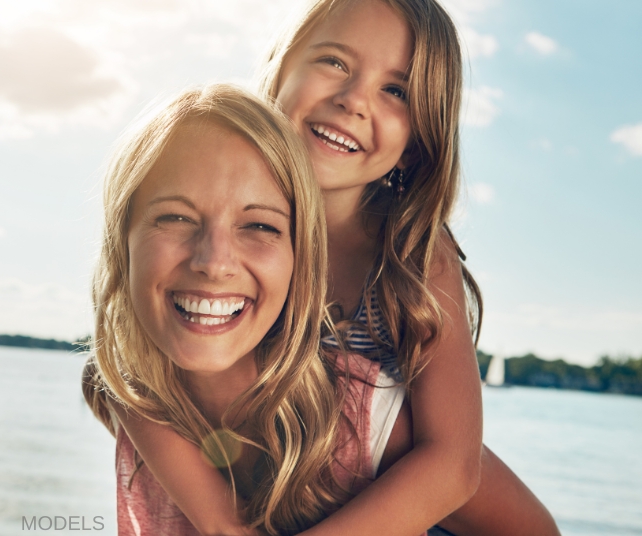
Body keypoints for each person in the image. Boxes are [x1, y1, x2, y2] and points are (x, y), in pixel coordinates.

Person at [89, 0, 560, 534]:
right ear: (279, 71)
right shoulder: (216, 227)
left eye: (396, 90)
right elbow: (127, 363)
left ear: (414, 144)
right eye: (335, 62)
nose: (353, 100)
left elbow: (451, 467)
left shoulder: (412, 256)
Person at [83, 82, 408, 535]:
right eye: (176, 217)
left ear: (302, 258)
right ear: (123, 243)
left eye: (258, 225)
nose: (214, 264)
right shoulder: (133, 395)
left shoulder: (363, 419)